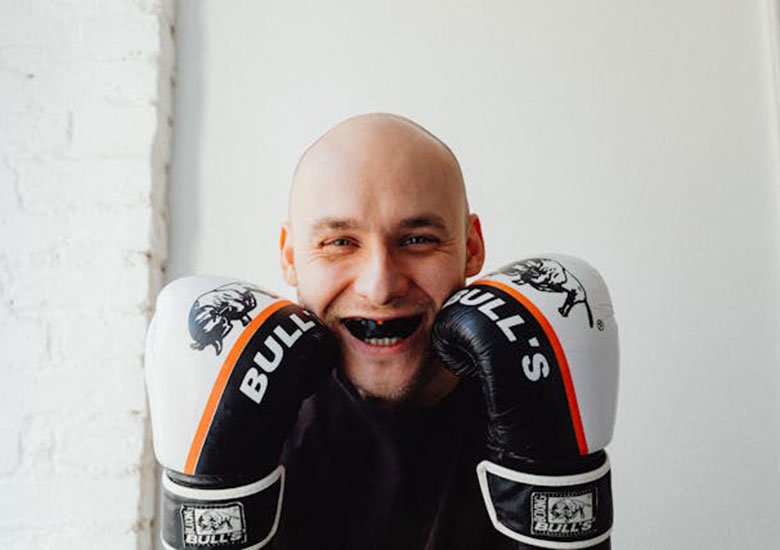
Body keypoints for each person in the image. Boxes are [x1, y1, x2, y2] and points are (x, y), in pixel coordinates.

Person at [273, 113, 507, 548]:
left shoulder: (524, 402)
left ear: (471, 248)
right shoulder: (256, 422)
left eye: (416, 239)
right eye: (340, 242)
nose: (380, 288)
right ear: (290, 257)